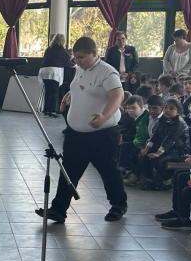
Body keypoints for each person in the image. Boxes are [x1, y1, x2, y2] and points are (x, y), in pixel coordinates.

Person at [35, 36, 127, 223]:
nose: (78, 61)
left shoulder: (107, 72)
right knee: (68, 171)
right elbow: (83, 88)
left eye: (82, 57)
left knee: (108, 171)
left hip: (102, 134)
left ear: (94, 53)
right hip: (75, 133)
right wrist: (70, 95)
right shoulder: (80, 69)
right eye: (75, 57)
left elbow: (117, 95)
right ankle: (58, 209)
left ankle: (118, 205)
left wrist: (104, 116)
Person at [140, 99, 190, 190]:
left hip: (179, 150)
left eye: (171, 108)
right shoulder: (163, 119)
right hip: (167, 148)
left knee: (161, 160)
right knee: (145, 154)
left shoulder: (180, 123)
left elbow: (171, 139)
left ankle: (167, 181)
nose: (167, 110)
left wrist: (158, 153)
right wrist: (147, 148)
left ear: (178, 111)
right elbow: (155, 136)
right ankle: (149, 180)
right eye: (166, 107)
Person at [39, 33, 71, 117]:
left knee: (48, 92)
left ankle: (46, 110)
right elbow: (67, 61)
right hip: (53, 72)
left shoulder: (49, 48)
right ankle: (52, 111)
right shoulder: (61, 49)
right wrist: (73, 64)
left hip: (44, 71)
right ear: (62, 41)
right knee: (54, 92)